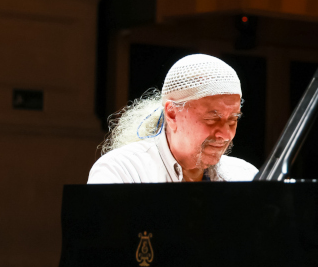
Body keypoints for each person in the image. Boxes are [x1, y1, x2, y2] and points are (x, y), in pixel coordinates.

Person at [88, 54, 258, 183]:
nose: (225, 134)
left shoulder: (245, 176)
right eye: (212, 119)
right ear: (172, 113)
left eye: (233, 120)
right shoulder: (123, 171)